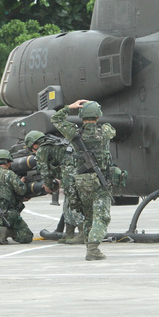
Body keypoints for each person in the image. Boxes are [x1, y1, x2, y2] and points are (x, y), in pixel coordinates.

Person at [52, 99, 116, 261]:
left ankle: (89, 246)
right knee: (101, 217)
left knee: (88, 216)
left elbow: (56, 119)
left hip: (81, 182)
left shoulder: (74, 133)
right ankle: (93, 248)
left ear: (81, 116)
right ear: (98, 116)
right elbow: (112, 130)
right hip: (100, 183)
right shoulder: (105, 131)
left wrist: (69, 107)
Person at [24, 130, 85, 244]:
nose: (33, 151)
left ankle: (82, 233)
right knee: (68, 203)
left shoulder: (43, 149)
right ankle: (69, 233)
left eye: (32, 148)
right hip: (76, 172)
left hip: (70, 174)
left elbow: (44, 170)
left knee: (73, 203)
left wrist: (49, 185)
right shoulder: (56, 143)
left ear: (34, 144)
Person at [0, 149, 32, 244]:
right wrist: (21, 182)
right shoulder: (9, 174)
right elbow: (21, 191)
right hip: (7, 213)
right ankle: (6, 232)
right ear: (9, 162)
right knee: (27, 237)